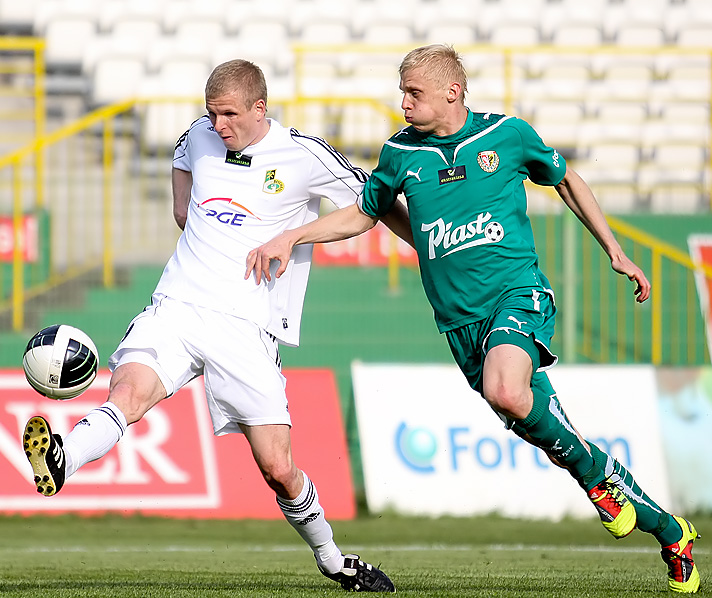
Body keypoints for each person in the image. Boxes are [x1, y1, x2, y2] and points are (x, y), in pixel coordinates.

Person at [245, 44, 700, 594]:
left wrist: (615, 250)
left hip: (517, 294)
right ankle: (667, 528)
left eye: (413, 92)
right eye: (402, 92)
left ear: (451, 93)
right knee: (532, 413)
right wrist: (295, 233)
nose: (403, 102)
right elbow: (363, 213)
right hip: (458, 323)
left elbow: (567, 179)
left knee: (506, 390)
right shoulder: (399, 153)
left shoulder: (506, 135)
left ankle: (602, 484)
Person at [23, 59, 409, 593]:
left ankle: (332, 557)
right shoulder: (199, 136)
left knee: (278, 469)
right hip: (177, 304)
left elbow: (370, 208)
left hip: (244, 326)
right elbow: (183, 161)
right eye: (212, 114)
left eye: (229, 114)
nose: (219, 125)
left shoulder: (301, 153)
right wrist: (184, 206)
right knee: (127, 393)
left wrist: (294, 237)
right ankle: (62, 459)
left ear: (260, 108)